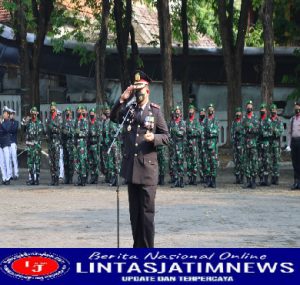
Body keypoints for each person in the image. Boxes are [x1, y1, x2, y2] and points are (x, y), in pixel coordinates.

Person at [110, 70, 169, 248]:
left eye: (140, 88)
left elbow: (167, 136)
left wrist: (155, 139)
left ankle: (148, 250)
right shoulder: (129, 110)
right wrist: (121, 100)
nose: (138, 92)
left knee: (146, 214)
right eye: (135, 89)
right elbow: (113, 117)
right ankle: (137, 249)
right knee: (134, 214)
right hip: (131, 169)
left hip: (148, 170)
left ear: (147, 90)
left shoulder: (155, 112)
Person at [22, 107, 44, 185]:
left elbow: (40, 135)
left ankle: (37, 179)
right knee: (30, 163)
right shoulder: (29, 123)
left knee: (37, 163)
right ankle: (32, 178)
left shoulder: (39, 123)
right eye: (32, 114)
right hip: (30, 146)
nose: (33, 115)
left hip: (36, 146)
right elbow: (24, 129)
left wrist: (36, 143)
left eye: (35, 114)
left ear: (36, 114)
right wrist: (25, 121)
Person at [242, 100, 259, 189]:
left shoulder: (255, 119)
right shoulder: (244, 119)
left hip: (253, 143)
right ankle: (248, 181)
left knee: (254, 162)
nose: (249, 108)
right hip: (246, 143)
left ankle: (253, 181)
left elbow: (258, 130)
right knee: (246, 163)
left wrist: (250, 127)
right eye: (248, 106)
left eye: (250, 106)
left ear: (252, 108)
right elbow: (241, 130)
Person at [45, 102, 62, 186]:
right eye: (51, 107)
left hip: (56, 142)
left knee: (56, 161)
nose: (52, 108)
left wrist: (53, 128)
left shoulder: (58, 118)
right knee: (51, 162)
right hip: (50, 142)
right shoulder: (48, 118)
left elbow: (60, 129)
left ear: (56, 108)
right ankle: (52, 178)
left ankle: (57, 178)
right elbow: (46, 129)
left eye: (53, 107)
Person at [169, 106, 186, 188]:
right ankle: (176, 180)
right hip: (173, 145)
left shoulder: (182, 122)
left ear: (180, 113)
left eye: (178, 111)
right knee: (174, 163)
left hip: (180, 145)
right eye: (176, 111)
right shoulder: (172, 123)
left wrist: (176, 131)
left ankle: (181, 180)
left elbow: (182, 133)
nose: (177, 113)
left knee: (180, 163)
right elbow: (169, 134)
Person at [203, 103, 219, 188]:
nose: (210, 110)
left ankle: (213, 180)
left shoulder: (215, 120)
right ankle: (208, 180)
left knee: (213, 162)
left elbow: (216, 131)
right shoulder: (205, 121)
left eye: (212, 109)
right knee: (207, 163)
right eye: (209, 109)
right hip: (206, 144)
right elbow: (203, 131)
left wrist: (209, 132)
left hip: (213, 145)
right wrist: (209, 132)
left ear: (214, 111)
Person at [257, 103, 272, 186]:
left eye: (263, 110)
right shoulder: (258, 121)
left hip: (266, 143)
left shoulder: (268, 121)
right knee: (260, 162)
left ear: (266, 111)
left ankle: (266, 179)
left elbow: (271, 132)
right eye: (261, 110)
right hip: (259, 143)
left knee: (266, 161)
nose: (262, 111)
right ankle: (261, 179)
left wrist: (263, 133)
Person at [74, 105, 89, 186]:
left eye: (80, 111)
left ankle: (83, 179)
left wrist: (79, 132)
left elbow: (86, 132)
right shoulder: (76, 121)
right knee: (78, 162)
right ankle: (79, 179)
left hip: (82, 143)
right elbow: (74, 131)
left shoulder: (85, 121)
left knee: (83, 161)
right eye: (78, 111)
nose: (79, 112)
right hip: (77, 144)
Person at [269, 103, 283, 185]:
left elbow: (281, 131)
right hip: (270, 143)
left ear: (276, 111)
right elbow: (266, 131)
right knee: (270, 160)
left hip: (276, 143)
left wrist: (274, 130)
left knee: (276, 161)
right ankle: (272, 177)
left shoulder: (279, 120)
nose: (273, 111)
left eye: (274, 110)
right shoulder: (268, 120)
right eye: (272, 110)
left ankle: (276, 177)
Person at [287, 101, 300, 190]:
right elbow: (289, 133)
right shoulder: (292, 119)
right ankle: (296, 182)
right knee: (295, 163)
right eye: (295, 109)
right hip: (294, 142)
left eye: (298, 109)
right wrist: (288, 145)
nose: (297, 110)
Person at [186, 104, 200, 185]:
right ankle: (189, 178)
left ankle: (194, 178)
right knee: (188, 161)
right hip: (188, 144)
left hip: (194, 144)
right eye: (189, 111)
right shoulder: (187, 120)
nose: (190, 112)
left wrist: (192, 132)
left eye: (192, 110)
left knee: (194, 161)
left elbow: (199, 132)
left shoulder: (196, 121)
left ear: (194, 111)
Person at [62, 107, 75, 184]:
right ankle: (66, 177)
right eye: (66, 112)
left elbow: (74, 133)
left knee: (71, 162)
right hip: (65, 144)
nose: (67, 113)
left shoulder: (73, 122)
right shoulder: (64, 122)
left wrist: (67, 132)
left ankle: (70, 177)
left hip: (70, 144)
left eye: (68, 112)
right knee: (65, 162)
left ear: (71, 113)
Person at [231, 107, 244, 184]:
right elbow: (232, 133)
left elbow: (244, 132)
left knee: (242, 161)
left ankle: (242, 177)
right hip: (236, 144)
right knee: (236, 161)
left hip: (242, 145)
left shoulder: (243, 122)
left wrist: (240, 132)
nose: (238, 114)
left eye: (239, 113)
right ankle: (237, 177)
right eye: (237, 113)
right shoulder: (234, 123)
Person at [88, 108, 101, 184]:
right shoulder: (89, 123)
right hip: (90, 145)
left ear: (95, 115)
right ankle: (92, 176)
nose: (92, 115)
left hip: (96, 145)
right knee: (91, 162)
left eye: (93, 114)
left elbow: (99, 134)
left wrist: (93, 133)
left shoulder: (97, 123)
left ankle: (96, 178)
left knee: (96, 162)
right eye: (91, 114)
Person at [0, 106, 12, 184]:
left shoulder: (8, 122)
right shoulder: (2, 122)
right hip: (0, 143)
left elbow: (6, 129)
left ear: (8, 115)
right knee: (1, 162)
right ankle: (4, 177)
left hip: (6, 144)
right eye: (3, 113)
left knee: (7, 161)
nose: (3, 114)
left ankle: (8, 177)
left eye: (5, 113)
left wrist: (1, 123)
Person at [9, 109, 19, 180]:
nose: (12, 115)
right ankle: (10, 174)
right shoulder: (7, 122)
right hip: (7, 142)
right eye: (11, 114)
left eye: (13, 114)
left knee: (14, 158)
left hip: (13, 142)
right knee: (8, 159)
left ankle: (16, 173)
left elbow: (13, 130)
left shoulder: (16, 122)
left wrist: (8, 128)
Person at [198, 108, 207, 183]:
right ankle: (201, 177)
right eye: (201, 113)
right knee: (200, 161)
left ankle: (206, 177)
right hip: (199, 144)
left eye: (203, 113)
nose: (202, 114)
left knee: (206, 161)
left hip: (206, 144)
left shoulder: (207, 122)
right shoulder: (198, 122)